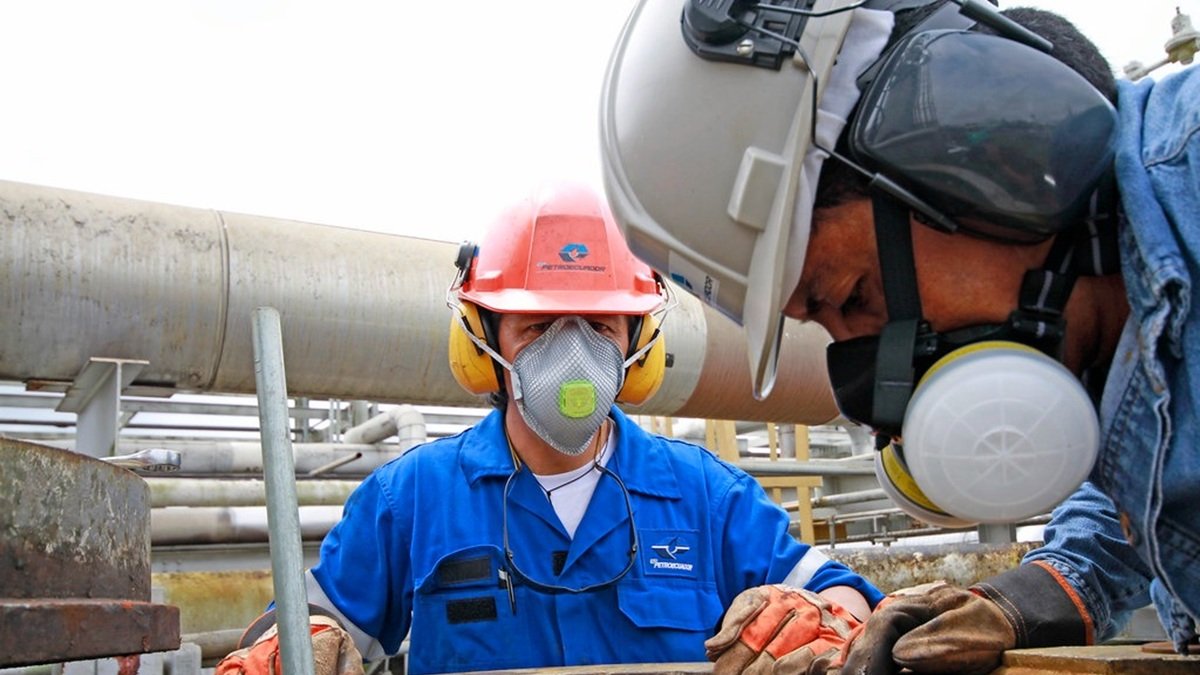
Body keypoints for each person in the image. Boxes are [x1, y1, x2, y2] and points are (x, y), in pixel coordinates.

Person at [600, 0, 1199, 672]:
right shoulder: (1128, 328)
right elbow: (1152, 459)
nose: (876, 388)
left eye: (855, 295)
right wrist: (1044, 590)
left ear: (997, 158)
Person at [218, 182, 883, 675]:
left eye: (597, 327)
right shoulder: (414, 497)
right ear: (484, 341)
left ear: (636, 344)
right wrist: (292, 643)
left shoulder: (707, 495)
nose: (573, 359)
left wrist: (829, 618)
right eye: (538, 327)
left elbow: (843, 594)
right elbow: (313, 626)